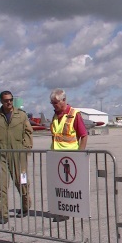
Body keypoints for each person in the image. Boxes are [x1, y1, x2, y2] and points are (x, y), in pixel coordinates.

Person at [0, 91, 33, 224]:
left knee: (21, 181)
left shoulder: (21, 115)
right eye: (6, 100)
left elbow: (28, 131)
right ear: (1, 101)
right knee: (1, 184)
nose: (9, 102)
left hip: (18, 153)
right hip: (0, 153)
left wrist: (26, 148)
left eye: (11, 100)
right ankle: (3, 214)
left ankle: (25, 206)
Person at [49, 88, 88, 222]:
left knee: (68, 187)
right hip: (56, 157)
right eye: (52, 103)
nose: (54, 105)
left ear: (64, 100)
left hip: (70, 157)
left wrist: (80, 156)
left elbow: (83, 135)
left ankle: (66, 211)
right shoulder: (55, 115)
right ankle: (61, 209)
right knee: (59, 186)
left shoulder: (74, 114)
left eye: (55, 102)